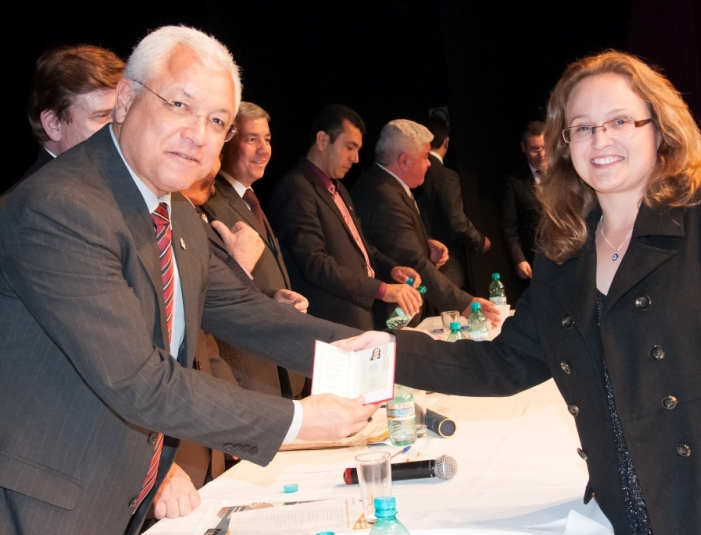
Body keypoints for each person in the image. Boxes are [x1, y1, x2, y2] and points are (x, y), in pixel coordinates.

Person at [347, 51, 701, 535]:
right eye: (582, 127)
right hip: (624, 514)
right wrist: (389, 353)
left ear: (660, 129)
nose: (600, 140)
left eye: (620, 121)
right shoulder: (564, 251)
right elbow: (502, 362)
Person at [0, 26, 377, 535]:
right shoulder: (52, 208)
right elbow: (127, 375)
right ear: (53, 123)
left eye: (216, 121)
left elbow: (230, 316)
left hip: (120, 480)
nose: (116, 128)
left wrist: (371, 350)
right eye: (102, 117)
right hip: (49, 498)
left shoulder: (156, 206)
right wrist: (297, 422)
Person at [270, 104, 422, 331]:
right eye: (350, 147)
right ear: (323, 140)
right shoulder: (296, 188)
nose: (356, 158)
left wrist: (392, 270)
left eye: (358, 149)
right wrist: (382, 290)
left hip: (362, 319)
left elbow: (362, 248)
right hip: (332, 324)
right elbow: (315, 263)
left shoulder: (338, 188)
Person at [201, 102, 309, 398]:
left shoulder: (249, 199)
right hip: (246, 369)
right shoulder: (209, 201)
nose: (264, 150)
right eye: (252, 139)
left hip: (278, 359)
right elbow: (211, 289)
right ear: (226, 142)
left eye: (268, 139)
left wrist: (275, 298)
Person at [350, 119, 499, 325]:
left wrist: (424, 242)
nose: (429, 163)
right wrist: (465, 303)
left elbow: (391, 238)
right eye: (425, 157)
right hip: (390, 316)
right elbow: (411, 262)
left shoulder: (383, 185)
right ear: (404, 161)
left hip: (397, 308)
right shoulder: (383, 197)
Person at [13, 45, 125, 188]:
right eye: (102, 116)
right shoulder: (36, 199)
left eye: (123, 112)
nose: (121, 125)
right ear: (53, 124)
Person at [414, 116, 490, 290]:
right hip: (445, 259)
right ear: (446, 142)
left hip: (417, 256)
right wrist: (479, 240)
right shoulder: (446, 176)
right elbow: (456, 221)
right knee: (450, 303)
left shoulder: (411, 173)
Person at [501, 120, 546, 280]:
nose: (541, 154)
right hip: (537, 261)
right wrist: (519, 259)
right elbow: (509, 228)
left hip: (571, 257)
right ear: (523, 147)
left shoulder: (564, 174)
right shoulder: (514, 182)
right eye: (535, 149)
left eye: (544, 147)